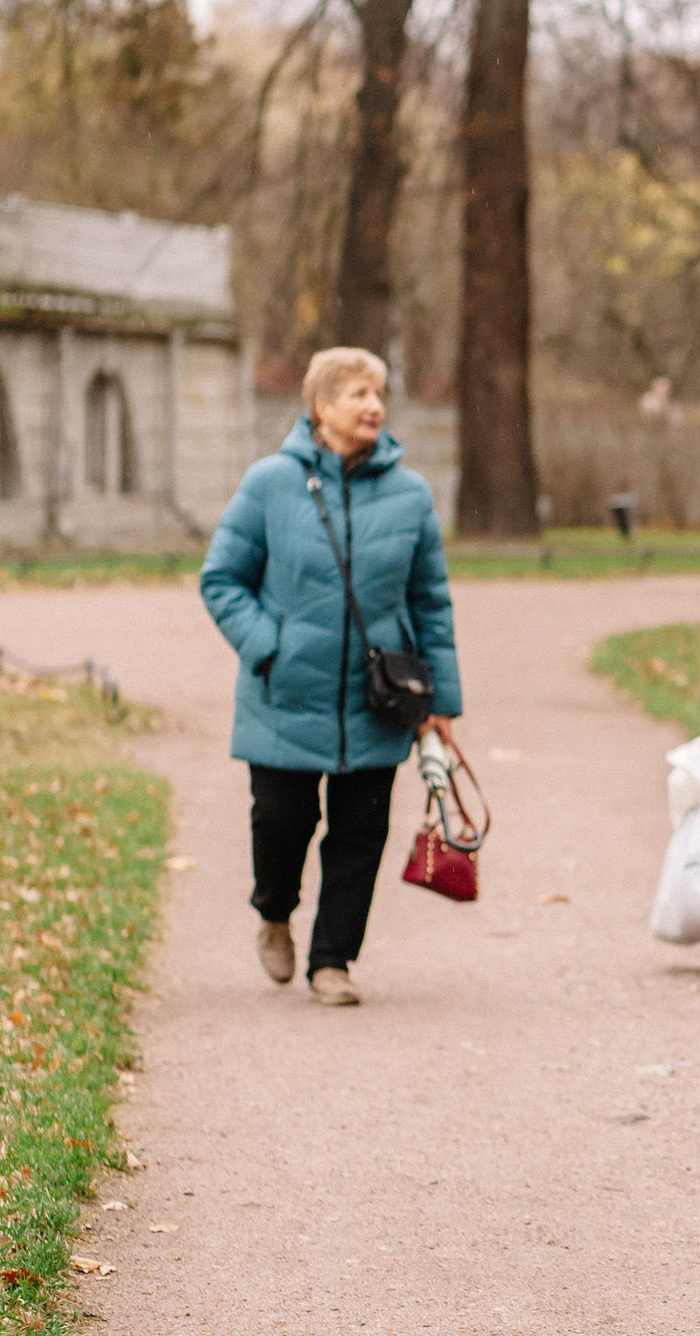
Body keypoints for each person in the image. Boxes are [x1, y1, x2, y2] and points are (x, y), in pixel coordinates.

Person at [200, 347, 462, 1007]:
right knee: (281, 824)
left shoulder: (411, 496)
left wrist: (440, 702)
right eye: (358, 395)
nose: (374, 407)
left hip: (378, 702)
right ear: (321, 408)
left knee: (360, 835)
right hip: (284, 696)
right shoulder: (270, 483)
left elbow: (431, 601)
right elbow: (222, 579)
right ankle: (274, 911)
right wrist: (270, 647)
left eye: (378, 395)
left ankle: (332, 961)